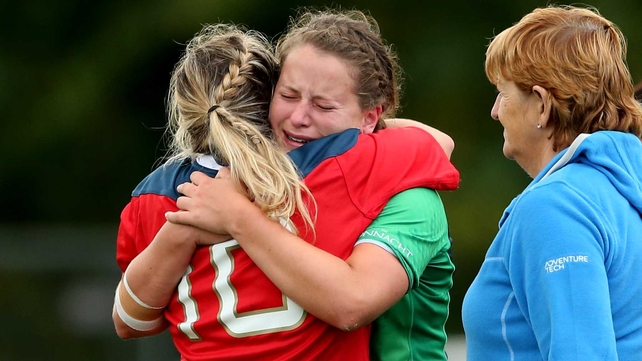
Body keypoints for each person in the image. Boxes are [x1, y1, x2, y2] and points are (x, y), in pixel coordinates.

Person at [113, 12, 459, 361]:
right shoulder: (346, 171)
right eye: (289, 96)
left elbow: (130, 321)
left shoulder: (155, 194)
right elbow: (436, 144)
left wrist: (226, 218)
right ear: (266, 99)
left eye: (323, 105)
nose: (298, 117)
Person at [462, 5, 642, 360]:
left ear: (542, 105)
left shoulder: (555, 206)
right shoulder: (622, 189)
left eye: (504, 92)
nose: (496, 111)